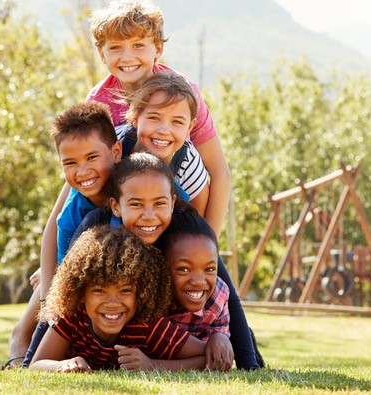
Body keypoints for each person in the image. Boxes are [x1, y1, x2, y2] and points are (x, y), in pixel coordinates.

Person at [35, 0, 232, 330]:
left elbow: (220, 175)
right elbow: (82, 173)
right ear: (102, 53)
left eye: (139, 45)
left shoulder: (181, 94)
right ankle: (28, 344)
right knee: (71, 265)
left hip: (173, 204)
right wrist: (53, 252)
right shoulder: (100, 99)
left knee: (211, 277)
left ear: (158, 48)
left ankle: (245, 353)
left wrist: (204, 248)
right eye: (116, 48)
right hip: (117, 205)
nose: (127, 57)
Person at [72, 153, 261, 370]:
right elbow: (67, 286)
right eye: (136, 204)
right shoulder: (101, 232)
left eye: (159, 203)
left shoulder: (186, 241)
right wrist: (33, 357)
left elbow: (229, 297)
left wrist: (239, 355)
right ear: (116, 206)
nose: (149, 216)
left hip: (178, 337)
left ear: (172, 203)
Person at [5, 101, 121, 368]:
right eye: (70, 163)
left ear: (116, 152)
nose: (82, 171)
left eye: (91, 158)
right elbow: (63, 279)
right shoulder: (70, 215)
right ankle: (25, 345)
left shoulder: (133, 187)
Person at [28, 225, 208, 371]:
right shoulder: (72, 318)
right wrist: (61, 365)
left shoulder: (147, 326)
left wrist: (152, 366)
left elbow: (205, 357)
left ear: (141, 292)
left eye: (125, 291)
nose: (113, 303)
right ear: (81, 293)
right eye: (99, 290)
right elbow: (37, 365)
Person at [117, 71, 209, 215]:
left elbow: (197, 226)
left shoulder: (188, 164)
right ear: (135, 117)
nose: (164, 131)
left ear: (189, 127)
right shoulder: (116, 143)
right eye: (154, 118)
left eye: (177, 122)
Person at [156, 207, 233, 371]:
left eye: (210, 269)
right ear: (162, 266)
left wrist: (219, 337)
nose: (199, 282)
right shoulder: (151, 298)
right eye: (183, 269)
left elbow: (217, 359)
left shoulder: (218, 296)